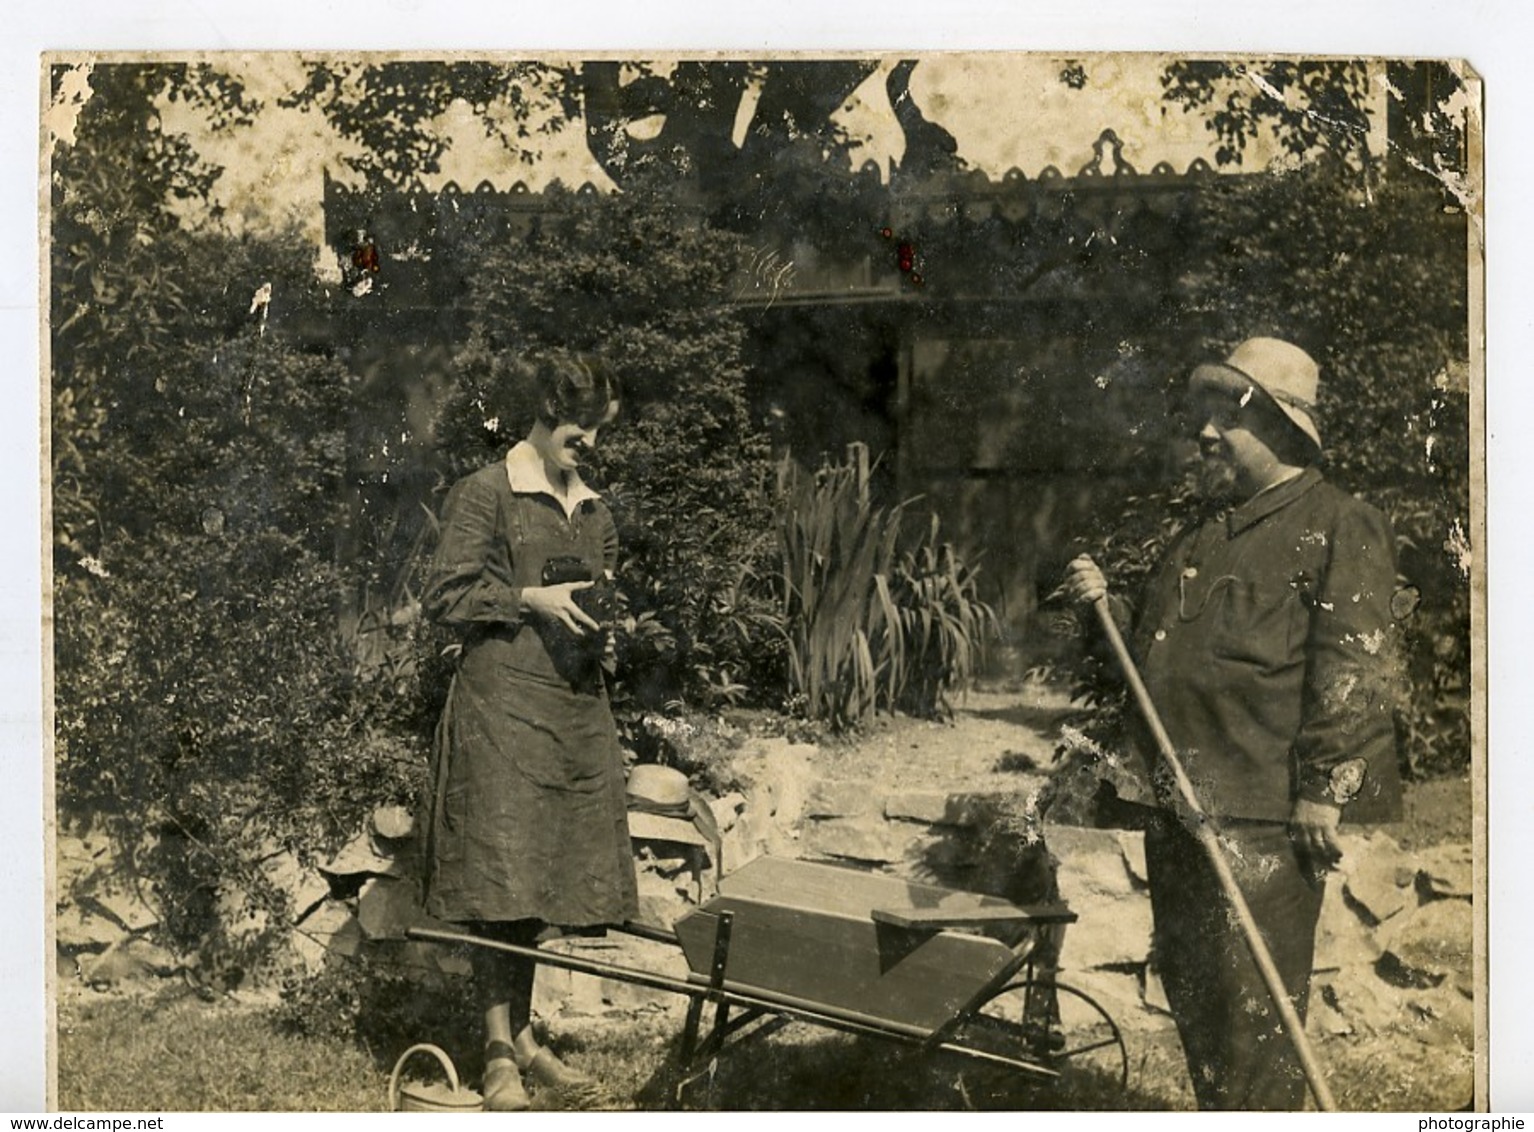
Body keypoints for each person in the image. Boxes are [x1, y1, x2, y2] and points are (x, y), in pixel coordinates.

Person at [1062, 336, 1403, 1110]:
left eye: (1228, 420)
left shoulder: (1340, 524)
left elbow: (1357, 665)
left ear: (1284, 428)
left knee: (1256, 1023)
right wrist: (1103, 611)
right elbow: (1153, 660)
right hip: (1181, 808)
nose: (1205, 434)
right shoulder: (1202, 536)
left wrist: (1325, 787)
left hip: (1264, 822)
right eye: (1204, 418)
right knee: (1198, 1008)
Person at [420, 352, 638, 1111]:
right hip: (501, 706)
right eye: (580, 429)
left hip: (573, 710)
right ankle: (495, 1052)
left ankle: (527, 1039)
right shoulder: (487, 493)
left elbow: (596, 593)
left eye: (599, 431)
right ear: (544, 412)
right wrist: (533, 601)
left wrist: (605, 631)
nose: (591, 443)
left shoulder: (594, 507)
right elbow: (445, 593)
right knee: (500, 877)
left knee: (543, 876)